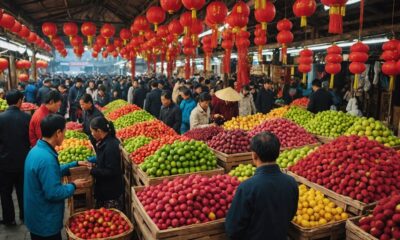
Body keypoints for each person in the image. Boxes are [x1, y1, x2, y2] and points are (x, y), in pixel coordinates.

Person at [24, 114, 89, 240]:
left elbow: (49, 174)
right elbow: (53, 193)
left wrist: (74, 164)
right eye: (64, 131)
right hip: (45, 220)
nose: (65, 135)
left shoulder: (36, 150)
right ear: (58, 133)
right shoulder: (47, 159)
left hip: (35, 215)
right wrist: (74, 185)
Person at [225, 132, 299, 240]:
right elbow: (291, 215)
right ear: (279, 152)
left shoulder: (247, 187)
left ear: (254, 155)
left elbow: (233, 229)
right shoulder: (291, 183)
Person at [0, 90, 31, 226]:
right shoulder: (26, 118)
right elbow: (30, 139)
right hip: (22, 161)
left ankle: (9, 218)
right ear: (19, 101)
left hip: (4, 162)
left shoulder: (0, 118)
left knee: (5, 192)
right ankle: (24, 216)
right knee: (22, 190)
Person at [87, 116, 124, 210]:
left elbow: (111, 171)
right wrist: (92, 161)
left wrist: (93, 170)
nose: (92, 134)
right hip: (105, 189)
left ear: (99, 131)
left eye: (92, 131)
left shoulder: (110, 146)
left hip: (110, 192)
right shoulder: (106, 141)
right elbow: (104, 160)